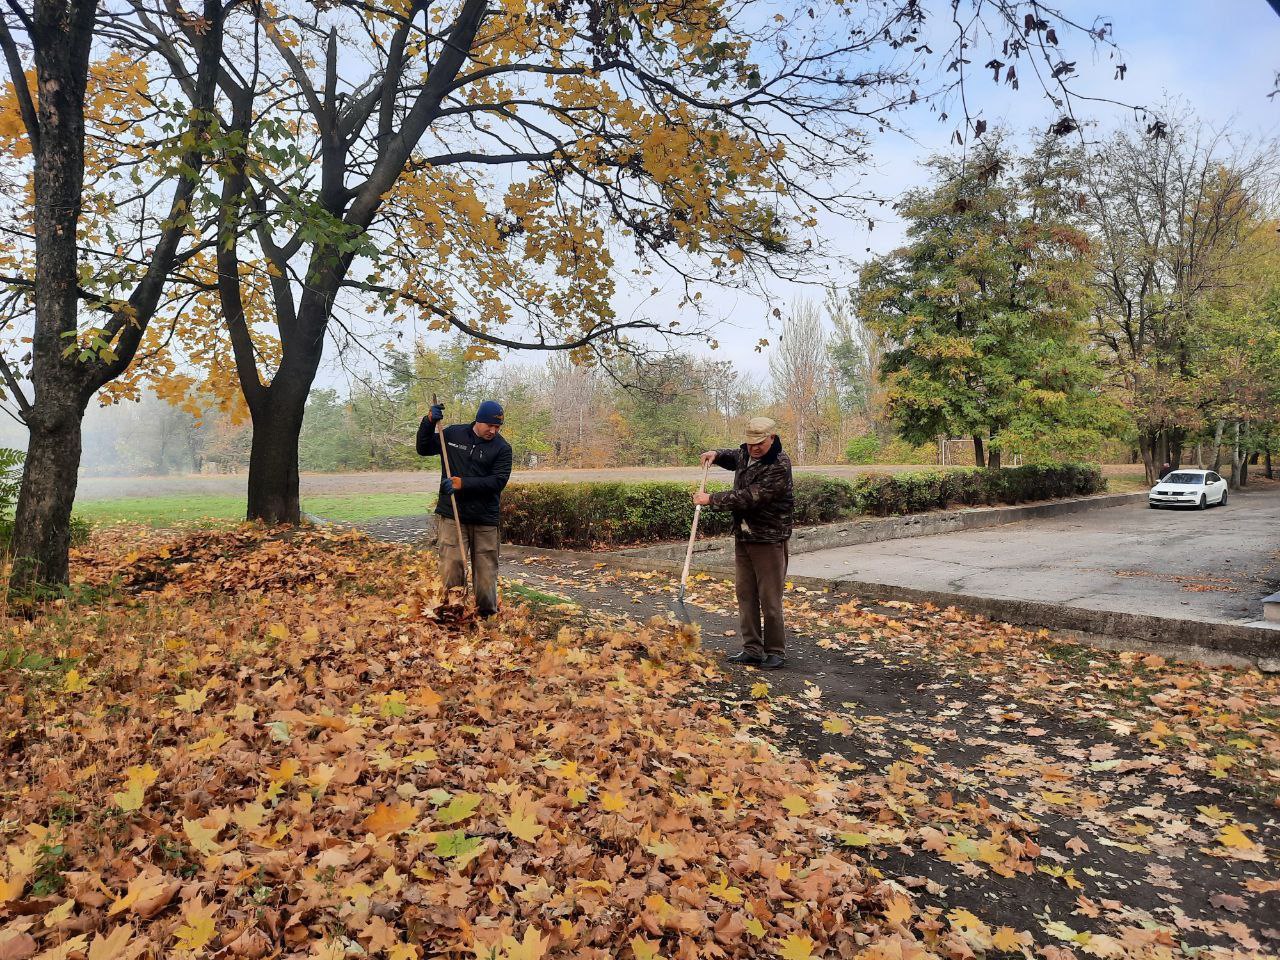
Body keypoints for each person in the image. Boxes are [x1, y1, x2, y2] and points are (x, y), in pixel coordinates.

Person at [695, 417, 794, 669]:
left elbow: (750, 497)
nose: (754, 448)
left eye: (759, 443)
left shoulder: (779, 464)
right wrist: (715, 455)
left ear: (772, 438)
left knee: (770, 599)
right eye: (750, 444)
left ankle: (775, 651)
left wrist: (711, 499)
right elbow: (734, 456)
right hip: (744, 536)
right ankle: (752, 648)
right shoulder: (745, 453)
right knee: (745, 595)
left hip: (769, 538)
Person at [417, 400, 512, 616]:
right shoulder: (452, 435)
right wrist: (429, 422)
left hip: (485, 520)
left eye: (497, 427)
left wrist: (463, 483)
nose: (493, 431)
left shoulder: (502, 448)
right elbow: (423, 448)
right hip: (453, 514)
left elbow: (497, 482)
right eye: (490, 425)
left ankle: (486, 616)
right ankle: (452, 611)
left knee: (486, 573)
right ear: (478, 420)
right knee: (451, 566)